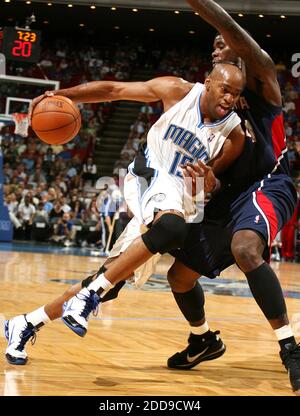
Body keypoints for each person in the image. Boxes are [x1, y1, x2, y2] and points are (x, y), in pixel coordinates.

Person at [4, 62, 245, 363]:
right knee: (171, 230)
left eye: (236, 94)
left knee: (111, 280)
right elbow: (114, 90)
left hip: (179, 200)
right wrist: (61, 94)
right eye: (225, 90)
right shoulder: (177, 90)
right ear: (208, 83)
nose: (229, 98)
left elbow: (210, 179)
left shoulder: (234, 135)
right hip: (149, 177)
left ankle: (25, 324)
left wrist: (210, 181)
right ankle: (88, 296)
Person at [162, 0, 299, 393]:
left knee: (245, 248)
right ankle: (204, 339)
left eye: (222, 43)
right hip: (230, 194)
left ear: (240, 46)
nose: (216, 48)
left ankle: (290, 348)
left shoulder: (262, 81)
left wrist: (200, 5)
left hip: (269, 183)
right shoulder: (214, 99)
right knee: (179, 278)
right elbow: (216, 173)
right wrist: (207, 182)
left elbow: (236, 35)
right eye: (213, 46)